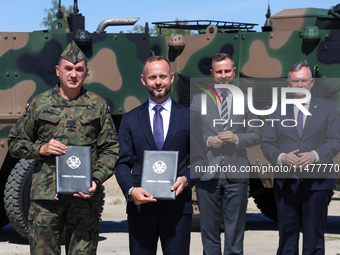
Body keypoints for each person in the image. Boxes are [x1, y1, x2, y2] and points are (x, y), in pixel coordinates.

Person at [7, 41, 119, 255]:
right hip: (46, 201)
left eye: (79, 69)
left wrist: (95, 179)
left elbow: (111, 148)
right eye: (68, 68)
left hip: (84, 199)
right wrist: (41, 149)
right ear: (58, 71)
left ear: (86, 73)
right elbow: (15, 142)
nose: (73, 74)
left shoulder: (98, 105)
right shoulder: (40, 103)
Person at [115, 55, 206, 255]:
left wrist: (186, 179)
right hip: (141, 210)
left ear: (172, 78)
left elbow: (201, 160)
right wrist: (131, 190)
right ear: (143, 80)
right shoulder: (130, 120)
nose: (158, 82)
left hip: (178, 209)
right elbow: (122, 163)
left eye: (163, 76)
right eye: (152, 77)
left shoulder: (190, 117)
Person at [261, 60, 340, 255]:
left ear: (312, 82)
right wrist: (281, 158)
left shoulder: (328, 108)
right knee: (287, 241)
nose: (299, 85)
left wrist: (315, 155)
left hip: (317, 185)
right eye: (295, 81)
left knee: (314, 241)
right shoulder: (277, 109)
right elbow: (267, 143)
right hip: (286, 184)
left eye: (304, 80)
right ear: (288, 84)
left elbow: (336, 140)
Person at [190, 53, 262, 255]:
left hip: (236, 175)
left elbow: (257, 135)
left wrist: (237, 138)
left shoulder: (247, 100)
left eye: (227, 71)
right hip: (207, 175)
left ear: (234, 72)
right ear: (212, 73)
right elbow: (189, 134)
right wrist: (207, 141)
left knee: (235, 232)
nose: (223, 75)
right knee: (209, 232)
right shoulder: (198, 100)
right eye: (219, 71)